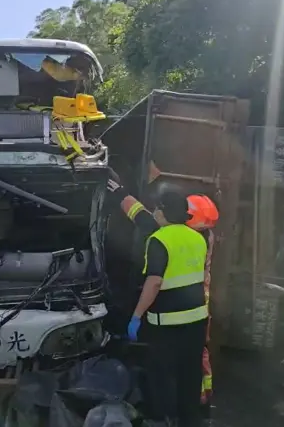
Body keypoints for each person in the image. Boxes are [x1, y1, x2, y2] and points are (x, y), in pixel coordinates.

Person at [107, 171, 210, 427]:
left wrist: (136, 317)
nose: (154, 211)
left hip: (167, 323)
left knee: (161, 373)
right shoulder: (198, 238)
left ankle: (163, 418)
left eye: (158, 208)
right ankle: (191, 419)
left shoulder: (158, 239)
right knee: (190, 372)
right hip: (197, 320)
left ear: (163, 212)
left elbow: (154, 282)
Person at [185, 193, 220, 415]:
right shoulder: (207, 235)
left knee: (192, 350)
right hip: (201, 299)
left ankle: (195, 395)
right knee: (200, 349)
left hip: (191, 300)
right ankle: (204, 393)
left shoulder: (191, 238)